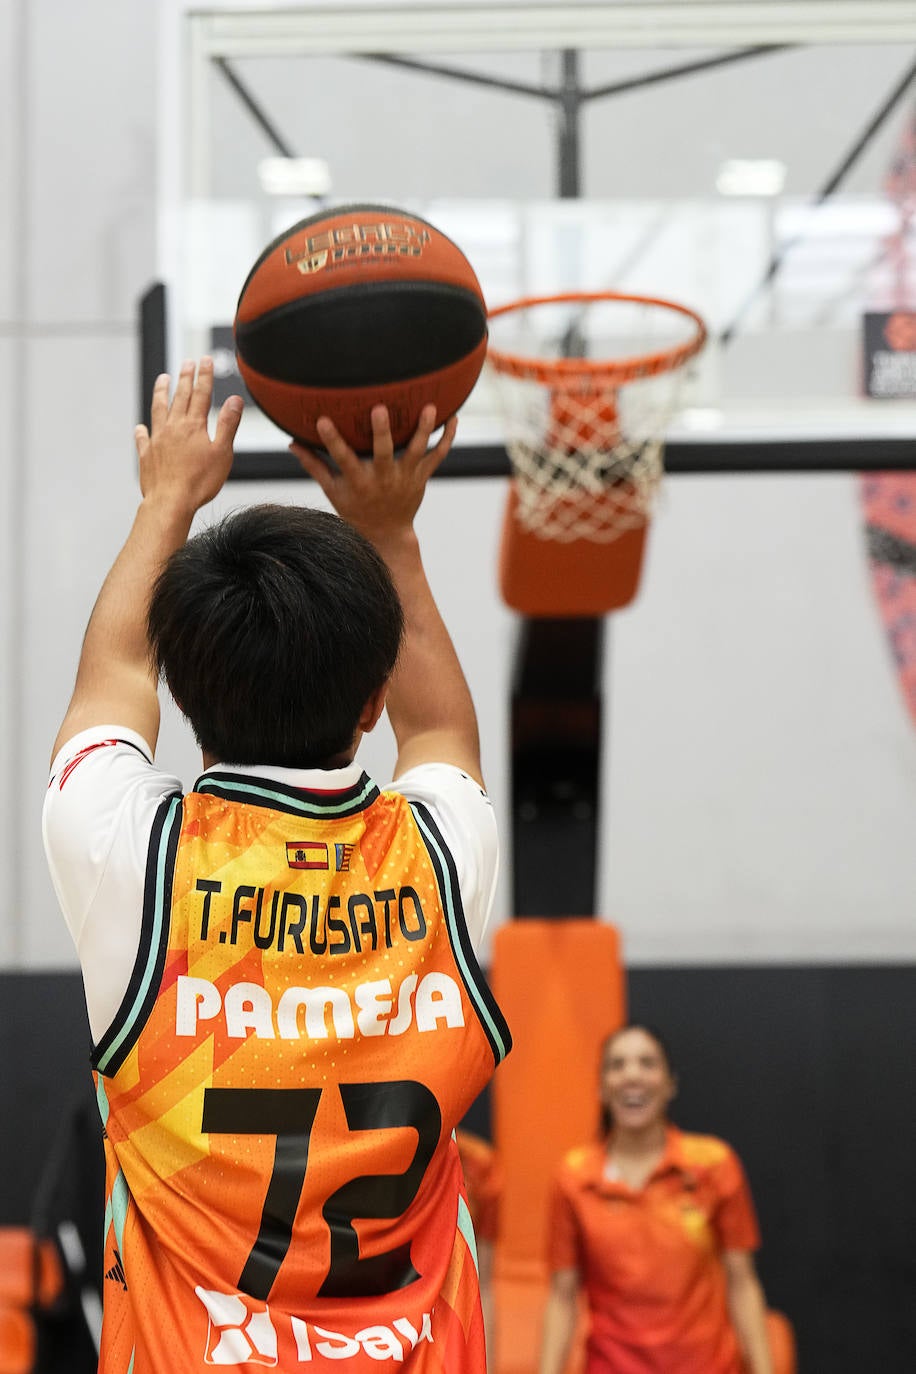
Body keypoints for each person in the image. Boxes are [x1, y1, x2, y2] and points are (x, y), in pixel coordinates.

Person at [42, 357, 511, 1373]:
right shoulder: (440, 856)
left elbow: (111, 679)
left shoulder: (135, 861)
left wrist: (166, 498)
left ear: (191, 692)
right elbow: (442, 729)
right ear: (369, 702)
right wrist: (389, 529)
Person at [539, 1025, 774, 1374]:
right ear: (601, 1088)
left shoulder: (714, 1164)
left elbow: (743, 1282)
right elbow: (562, 1297)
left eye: (647, 1063)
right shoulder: (575, 1178)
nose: (632, 1075)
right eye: (617, 1065)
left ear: (670, 1084)